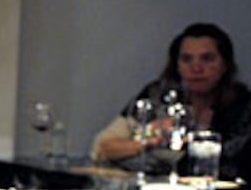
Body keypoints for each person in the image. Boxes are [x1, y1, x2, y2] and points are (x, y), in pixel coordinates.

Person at [91, 22, 251, 181]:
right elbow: (102, 147)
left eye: (207, 59)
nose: (196, 68)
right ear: (176, 65)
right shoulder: (157, 94)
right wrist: (152, 141)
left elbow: (229, 163)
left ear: (225, 65)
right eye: (186, 59)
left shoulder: (242, 106)